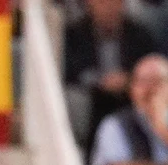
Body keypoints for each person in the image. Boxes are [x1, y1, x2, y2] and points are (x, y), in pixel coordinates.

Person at [61, 0, 159, 143]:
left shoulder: (139, 35)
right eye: (103, 2)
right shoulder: (74, 35)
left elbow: (152, 65)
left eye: (114, 2)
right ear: (89, 4)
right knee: (75, 98)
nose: (109, 8)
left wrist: (129, 79)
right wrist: (99, 81)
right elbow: (70, 72)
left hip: (129, 97)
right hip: (93, 99)